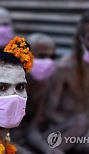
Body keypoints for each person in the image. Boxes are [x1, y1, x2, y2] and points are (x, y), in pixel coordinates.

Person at [11, 33, 64, 154]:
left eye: (52, 57)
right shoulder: (8, 86)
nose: (48, 62)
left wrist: (48, 150)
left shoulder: (43, 85)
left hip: (24, 140)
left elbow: (32, 130)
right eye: (42, 56)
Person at [45, 11, 89, 153]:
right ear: (81, 39)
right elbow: (49, 112)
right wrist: (77, 124)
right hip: (62, 131)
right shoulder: (65, 68)